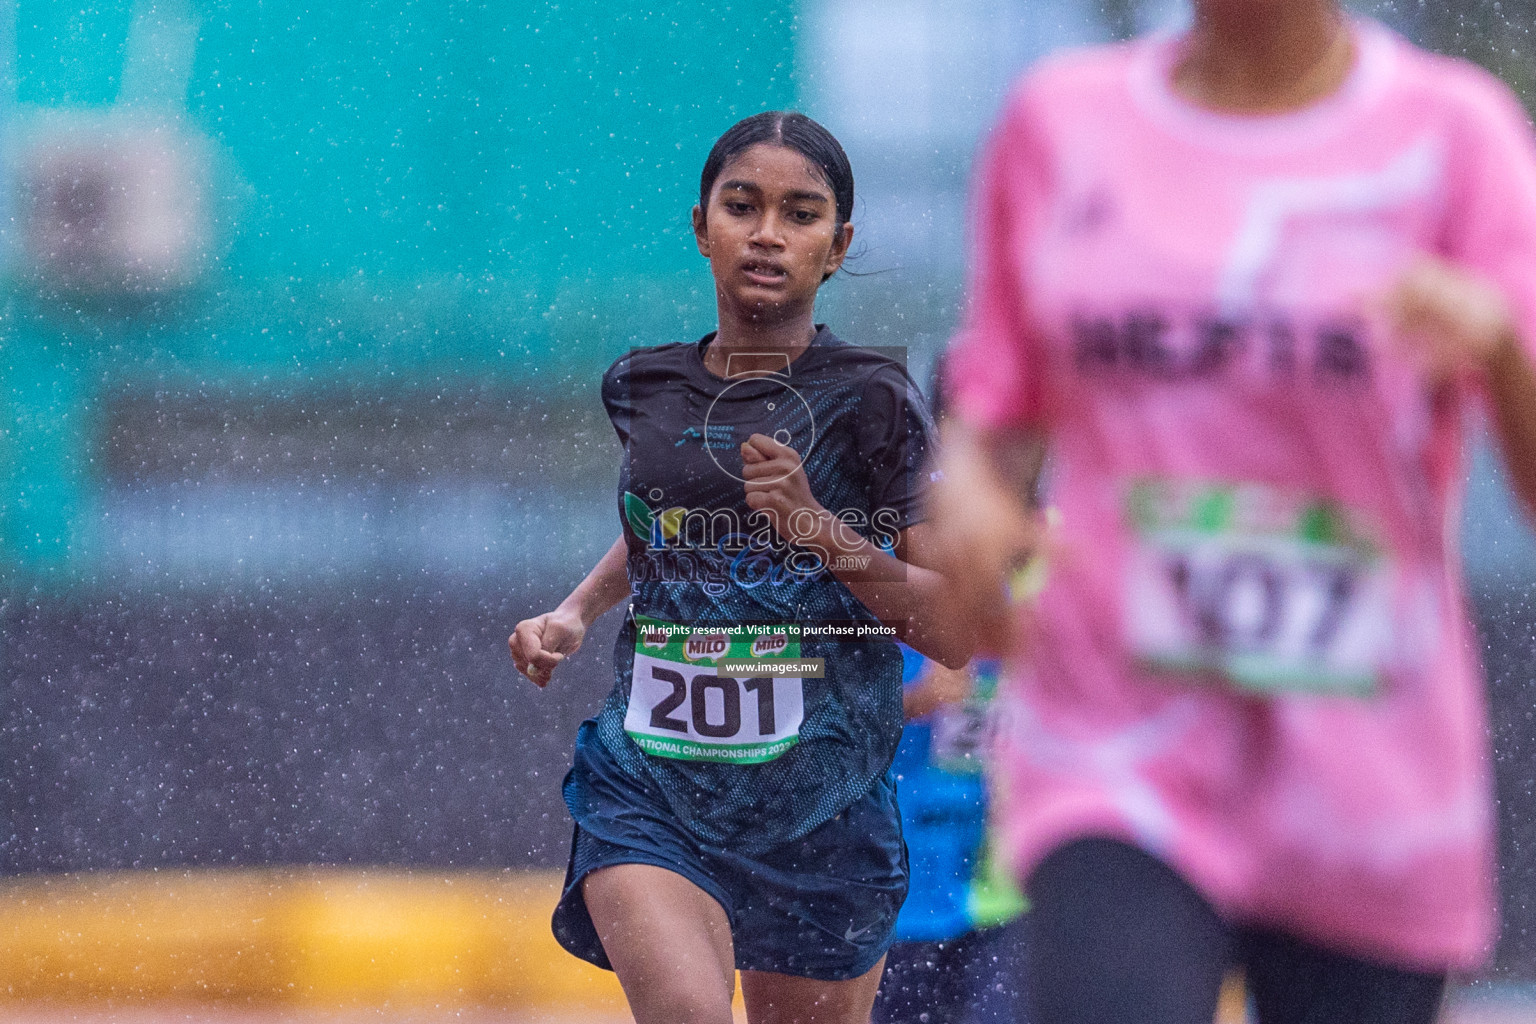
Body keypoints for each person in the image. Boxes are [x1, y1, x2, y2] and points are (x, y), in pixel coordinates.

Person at [929, 1, 1536, 1022]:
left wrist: (1503, 348)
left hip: (1365, 767)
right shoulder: (1062, 122)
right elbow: (991, 413)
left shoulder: (1451, 134)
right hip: (1118, 735)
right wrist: (970, 500)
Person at [510, 111, 969, 1024]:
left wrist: (814, 527)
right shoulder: (642, 386)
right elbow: (666, 528)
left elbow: (952, 628)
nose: (766, 234)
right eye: (742, 206)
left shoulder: (873, 401)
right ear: (701, 226)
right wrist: (578, 609)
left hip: (823, 803)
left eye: (800, 215)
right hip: (654, 783)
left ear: (836, 248)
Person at [871, 646, 1029, 1024]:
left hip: (999, 898)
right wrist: (914, 701)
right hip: (900, 903)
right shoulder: (871, 609)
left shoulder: (1014, 617)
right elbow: (806, 707)